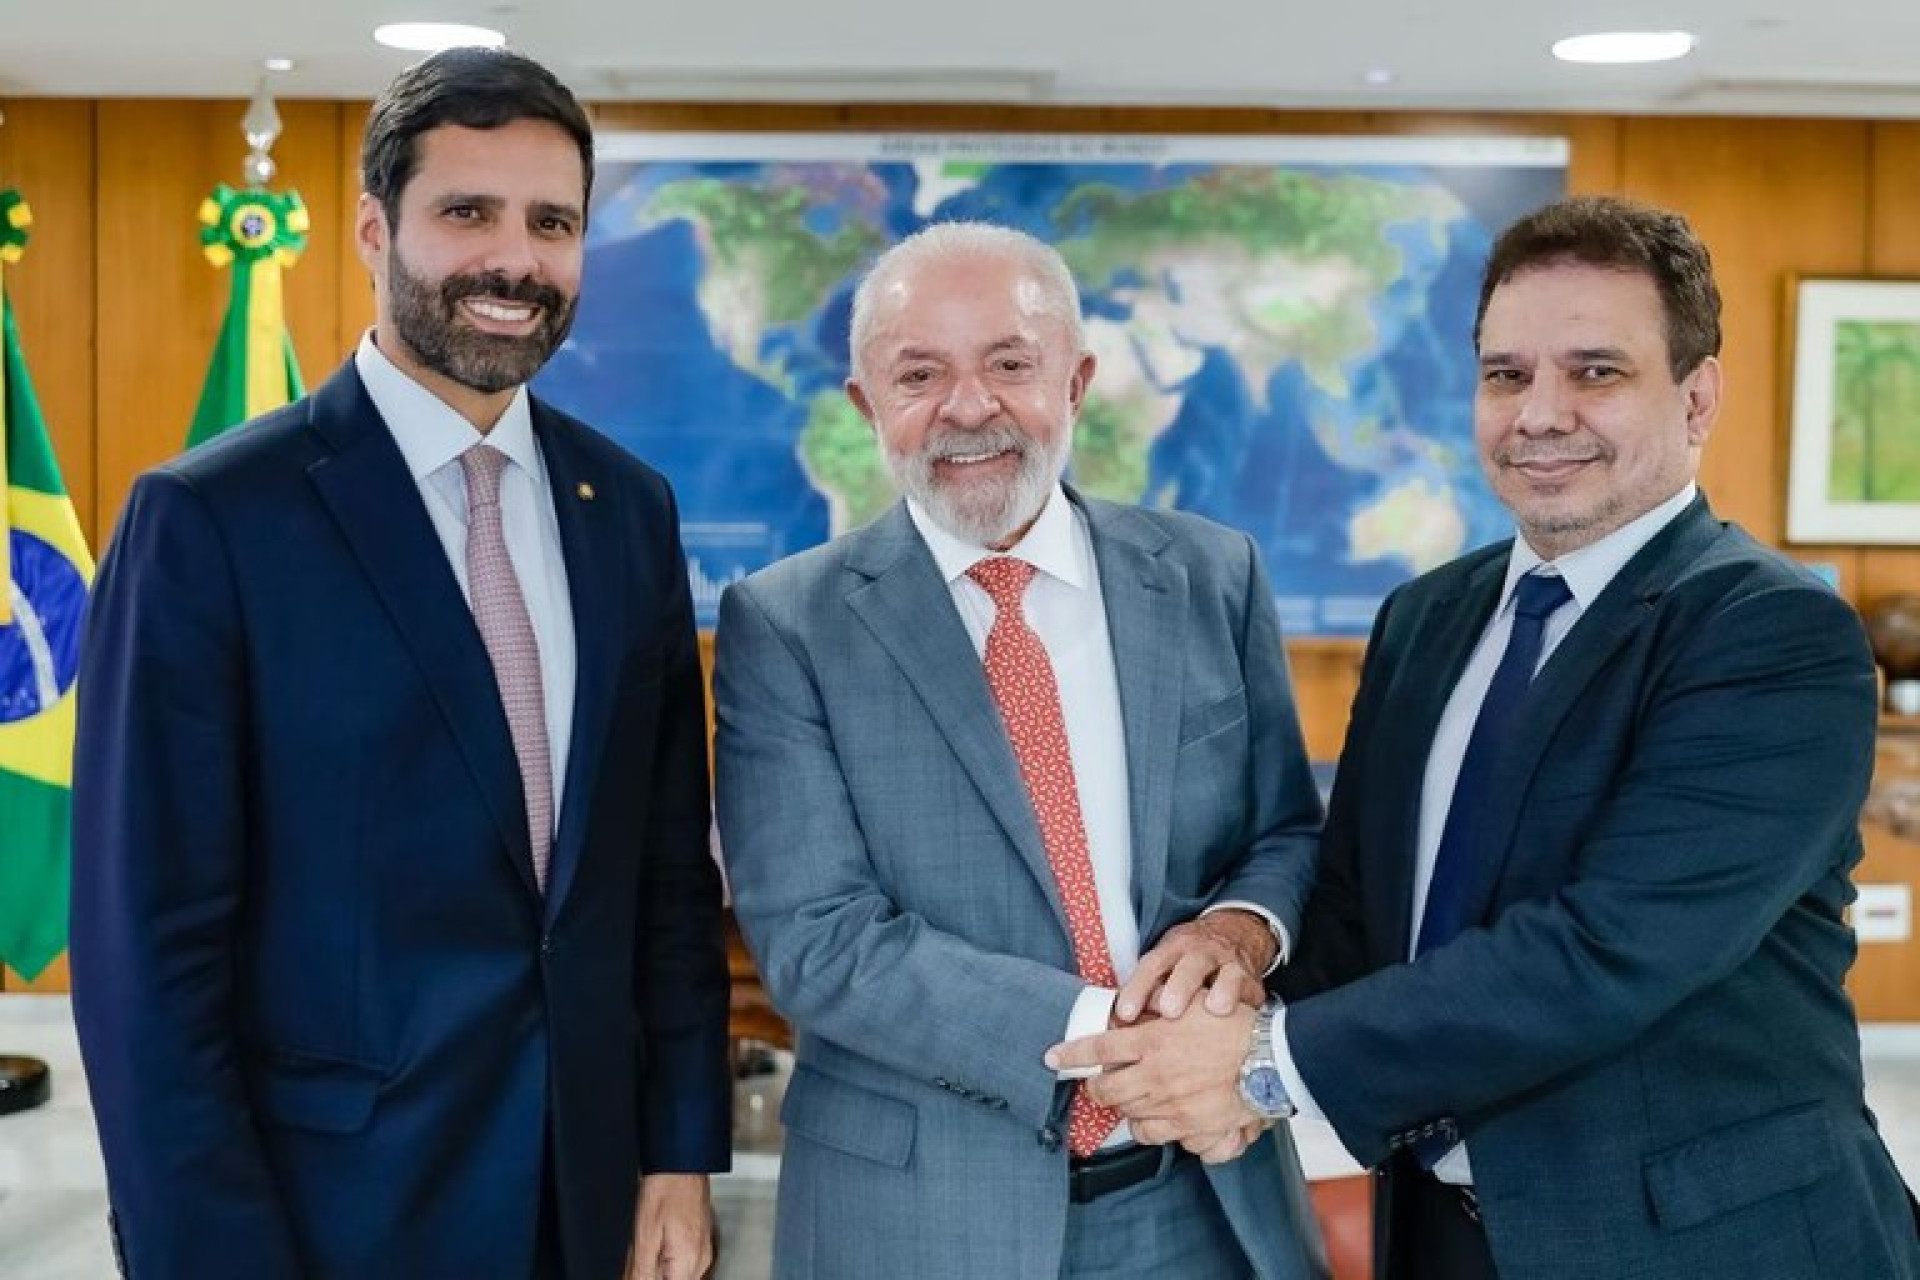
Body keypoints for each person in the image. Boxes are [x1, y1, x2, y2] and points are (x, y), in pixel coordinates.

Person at [1049, 194, 1920, 1279]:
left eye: (1596, 372)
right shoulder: (1427, 618)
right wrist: (1239, 954)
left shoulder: (1771, 630)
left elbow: (1607, 946)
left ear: (1697, 398)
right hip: (1442, 1236)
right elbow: (1362, 904)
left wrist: (1261, 1065)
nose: (1540, 414)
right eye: (1507, 374)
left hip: (1708, 1245)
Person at [70, 48, 730, 1280]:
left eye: (553, 223)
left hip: (589, 1199)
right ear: (375, 231)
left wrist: (678, 1151)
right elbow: (145, 953)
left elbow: (663, 879)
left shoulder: (626, 509)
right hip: (326, 1215)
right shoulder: (210, 519)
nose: (516, 260)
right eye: (467, 212)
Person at [711, 221, 1328, 1279]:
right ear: (865, 406)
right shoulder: (786, 626)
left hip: (1204, 1208)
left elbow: (1285, 833)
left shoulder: (1212, 574)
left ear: (1075, 382)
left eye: (1009, 363)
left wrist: (1239, 931)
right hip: (919, 1227)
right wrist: (1125, 1036)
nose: (968, 407)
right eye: (919, 374)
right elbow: (820, 940)